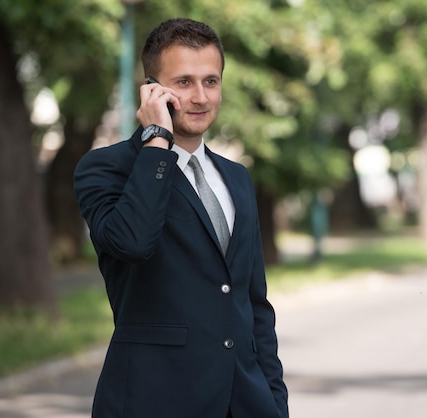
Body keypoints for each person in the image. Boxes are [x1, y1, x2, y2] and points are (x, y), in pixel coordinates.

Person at [74, 18, 289, 418]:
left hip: (245, 402)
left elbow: (254, 305)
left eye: (211, 81)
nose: (201, 97)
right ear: (151, 90)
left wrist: (275, 402)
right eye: (184, 82)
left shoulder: (238, 178)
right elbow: (132, 243)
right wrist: (158, 139)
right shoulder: (105, 169)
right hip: (154, 400)